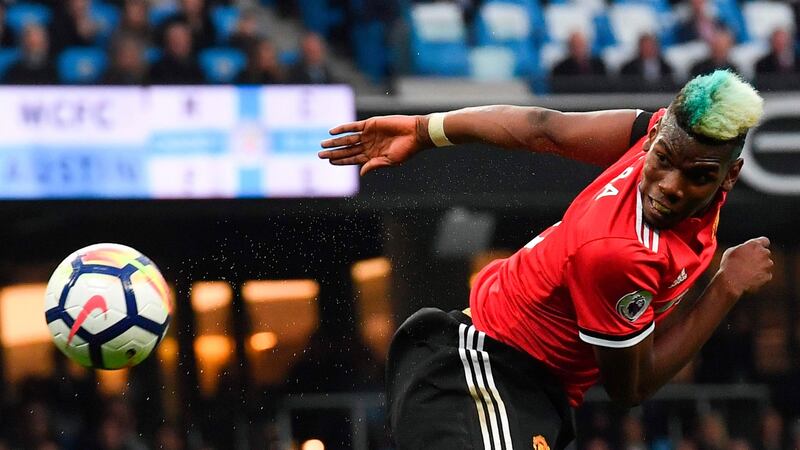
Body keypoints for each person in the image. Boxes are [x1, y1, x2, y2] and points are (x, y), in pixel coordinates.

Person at [318, 69, 773, 449]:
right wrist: (726, 286)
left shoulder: (668, 142)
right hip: (477, 376)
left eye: (697, 176)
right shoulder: (622, 253)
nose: (670, 185)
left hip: (532, 393)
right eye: (664, 159)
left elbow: (543, 128)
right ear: (655, 135)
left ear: (730, 174)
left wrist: (425, 132)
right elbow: (630, 387)